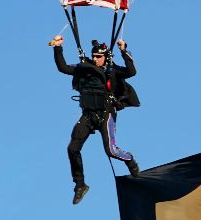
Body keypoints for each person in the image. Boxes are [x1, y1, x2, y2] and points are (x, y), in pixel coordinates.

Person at [51, 36, 142, 204]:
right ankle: (80, 184)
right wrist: (57, 48)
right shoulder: (84, 68)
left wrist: (123, 50)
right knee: (72, 148)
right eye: (94, 56)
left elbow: (131, 72)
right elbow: (63, 67)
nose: (95, 59)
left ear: (105, 57)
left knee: (111, 151)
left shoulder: (112, 70)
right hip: (88, 115)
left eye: (99, 56)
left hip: (106, 113)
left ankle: (129, 159)